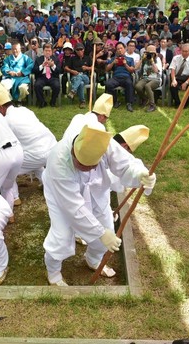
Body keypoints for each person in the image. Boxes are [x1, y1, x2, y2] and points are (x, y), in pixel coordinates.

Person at [42, 121, 156, 286]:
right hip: (61, 193)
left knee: (106, 224)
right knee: (62, 235)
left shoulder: (105, 144)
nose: (85, 168)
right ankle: (53, 273)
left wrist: (140, 174)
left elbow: (126, 165)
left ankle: (93, 259)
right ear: (74, 152)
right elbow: (74, 208)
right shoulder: (58, 161)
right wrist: (99, 232)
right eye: (80, 164)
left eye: (90, 166)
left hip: (95, 185)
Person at [0, 83, 57, 205]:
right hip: (53, 147)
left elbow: (2, 146)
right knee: (32, 159)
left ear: (0, 107)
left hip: (39, 153)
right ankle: (48, 184)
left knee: (6, 166)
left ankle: (14, 197)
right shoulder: (24, 110)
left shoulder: (5, 121)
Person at [105, 42, 135, 112]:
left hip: (126, 77)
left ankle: (129, 103)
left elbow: (132, 70)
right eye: (118, 49)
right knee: (108, 84)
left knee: (129, 83)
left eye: (121, 48)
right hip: (116, 78)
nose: (119, 50)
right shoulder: (113, 59)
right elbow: (106, 69)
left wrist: (125, 64)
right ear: (116, 50)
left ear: (125, 49)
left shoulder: (130, 59)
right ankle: (115, 101)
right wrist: (113, 63)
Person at [168, 43, 189, 108]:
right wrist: (173, 80)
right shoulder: (175, 58)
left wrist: (186, 83)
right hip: (177, 77)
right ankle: (177, 103)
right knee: (173, 86)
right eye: (183, 51)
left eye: (186, 51)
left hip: (188, 78)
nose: (184, 53)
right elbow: (172, 69)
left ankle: (185, 104)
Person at [135, 44, 162, 112]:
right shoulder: (144, 59)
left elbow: (156, 71)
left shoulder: (157, 59)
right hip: (145, 78)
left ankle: (152, 105)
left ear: (155, 54)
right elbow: (136, 68)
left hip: (156, 79)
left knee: (147, 86)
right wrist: (142, 59)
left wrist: (152, 61)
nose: (150, 55)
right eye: (148, 53)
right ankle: (145, 98)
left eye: (152, 53)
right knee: (137, 86)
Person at [32, 43, 61, 108]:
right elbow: (34, 70)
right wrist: (42, 65)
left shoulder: (56, 59)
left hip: (52, 77)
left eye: (49, 51)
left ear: (52, 51)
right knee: (37, 85)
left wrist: (53, 66)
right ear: (43, 51)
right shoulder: (39, 59)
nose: (47, 52)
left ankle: (53, 101)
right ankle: (42, 102)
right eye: (46, 50)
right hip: (42, 77)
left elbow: (59, 71)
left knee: (57, 86)